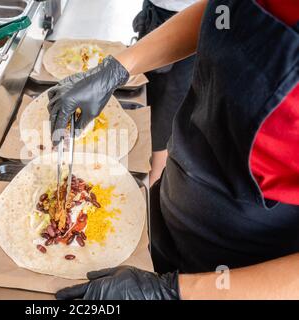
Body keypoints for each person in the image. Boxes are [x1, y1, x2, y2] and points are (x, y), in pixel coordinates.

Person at [48, 0, 299, 299]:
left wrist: (172, 292)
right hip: (171, 209)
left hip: (243, 275)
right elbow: (226, 13)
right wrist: (117, 68)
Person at [133, 0, 198, 186]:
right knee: (147, 93)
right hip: (157, 11)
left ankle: (156, 177)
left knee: (168, 104)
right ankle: (148, 166)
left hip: (191, 14)